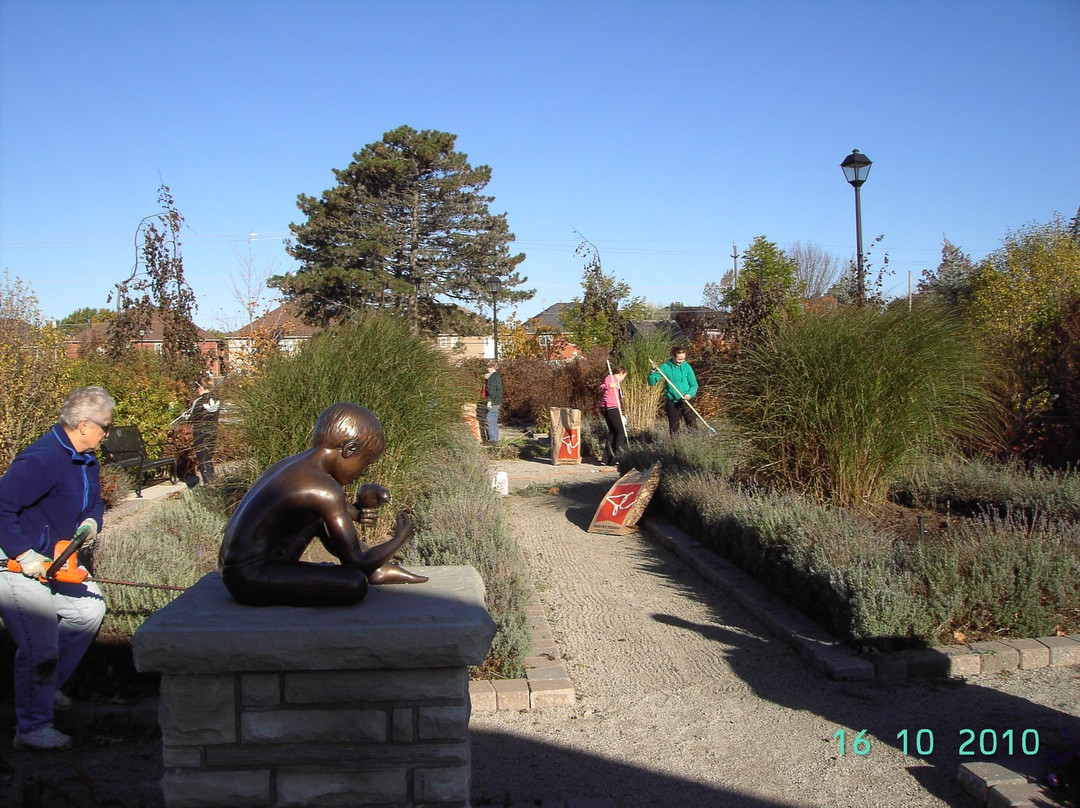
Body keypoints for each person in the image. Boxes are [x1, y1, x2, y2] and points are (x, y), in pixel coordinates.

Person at [218, 402, 427, 607]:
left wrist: (360, 508)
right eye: (366, 463)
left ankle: (377, 570)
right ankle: (375, 571)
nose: (363, 472)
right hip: (249, 579)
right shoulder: (324, 489)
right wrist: (400, 538)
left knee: (317, 519)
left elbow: (336, 510)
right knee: (354, 583)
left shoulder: (295, 466)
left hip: (237, 569)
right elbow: (357, 562)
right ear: (349, 449)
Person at [0, 387, 112, 751]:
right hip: (14, 564)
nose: (107, 434)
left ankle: (44, 690)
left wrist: (91, 523)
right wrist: (25, 555)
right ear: (83, 425)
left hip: (56, 564)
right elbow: (1, 509)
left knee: (89, 609)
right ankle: (31, 728)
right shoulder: (41, 460)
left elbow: (93, 503)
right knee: (40, 645)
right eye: (105, 428)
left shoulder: (86, 460)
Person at [648, 346, 699, 436]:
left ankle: (695, 442)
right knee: (674, 427)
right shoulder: (665, 367)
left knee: (691, 423)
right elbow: (651, 382)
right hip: (671, 401)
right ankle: (675, 446)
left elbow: (694, 385)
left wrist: (689, 394)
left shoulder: (687, 367)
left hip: (685, 400)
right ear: (673, 357)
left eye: (683, 359)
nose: (681, 361)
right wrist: (653, 371)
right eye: (679, 359)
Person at [185, 376, 220, 484]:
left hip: (201, 433)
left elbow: (190, 417)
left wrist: (185, 415)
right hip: (213, 431)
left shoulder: (198, 401)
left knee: (202, 459)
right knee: (209, 457)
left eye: (197, 387)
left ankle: (208, 484)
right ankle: (213, 481)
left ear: (201, 388)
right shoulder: (217, 399)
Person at [598, 365, 628, 466]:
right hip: (610, 408)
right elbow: (601, 387)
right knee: (620, 432)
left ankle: (606, 459)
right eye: (624, 376)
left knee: (613, 433)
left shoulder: (617, 382)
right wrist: (609, 386)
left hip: (612, 407)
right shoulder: (610, 378)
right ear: (621, 373)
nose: (623, 379)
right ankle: (616, 458)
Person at [480, 360, 503, 444]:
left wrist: (489, 401)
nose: (487, 369)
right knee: (493, 420)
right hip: (497, 401)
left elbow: (491, 390)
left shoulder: (492, 377)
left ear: (491, 367)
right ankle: (495, 438)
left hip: (493, 401)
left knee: (489, 420)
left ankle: (492, 439)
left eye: (488, 367)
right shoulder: (496, 376)